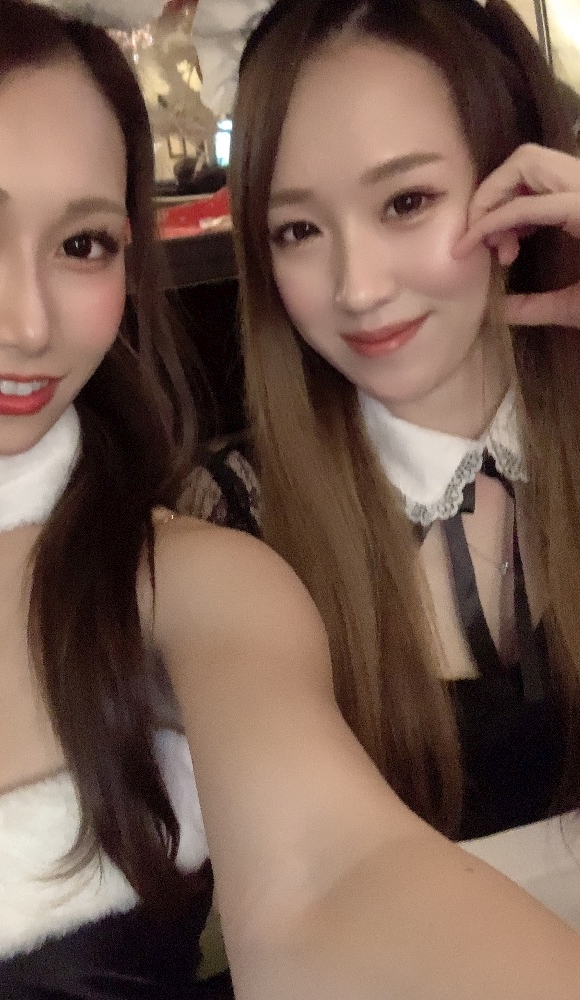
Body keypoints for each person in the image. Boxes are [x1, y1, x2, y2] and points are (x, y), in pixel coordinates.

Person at [0, 2, 580, 999]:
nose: (29, 324)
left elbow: (328, 877)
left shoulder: (182, 573)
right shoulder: (239, 506)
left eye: (84, 243)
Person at [183, 0, 580, 926]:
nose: (358, 288)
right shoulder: (232, 525)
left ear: (520, 188)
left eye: (406, 202)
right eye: (297, 230)